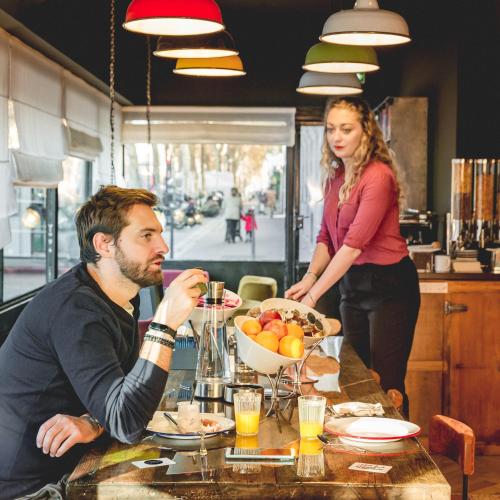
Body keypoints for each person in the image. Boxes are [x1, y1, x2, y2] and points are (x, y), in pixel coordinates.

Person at [0, 186, 207, 499]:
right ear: (104, 244)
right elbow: (128, 422)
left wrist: (93, 421)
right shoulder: (76, 311)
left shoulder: (118, 295)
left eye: (159, 234)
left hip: (76, 466)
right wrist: (165, 322)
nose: (163, 246)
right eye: (146, 235)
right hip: (32, 488)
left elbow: (124, 397)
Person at [285, 96, 420, 416]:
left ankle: (403, 459)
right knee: (356, 376)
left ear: (365, 131)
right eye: (331, 129)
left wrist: (315, 295)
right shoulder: (335, 177)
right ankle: (361, 453)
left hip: (390, 288)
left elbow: (354, 244)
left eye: (346, 129)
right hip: (354, 285)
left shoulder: (378, 176)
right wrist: (309, 279)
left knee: (388, 384)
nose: (337, 137)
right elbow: (326, 239)